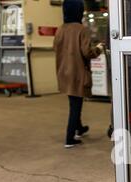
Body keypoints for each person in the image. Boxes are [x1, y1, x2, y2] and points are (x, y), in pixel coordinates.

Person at [54, 0, 104, 148]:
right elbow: (87, 52)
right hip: (77, 73)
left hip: (64, 72)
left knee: (74, 101)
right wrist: (99, 48)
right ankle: (70, 138)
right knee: (75, 106)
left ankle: (79, 128)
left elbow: (55, 47)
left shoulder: (60, 29)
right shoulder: (81, 29)